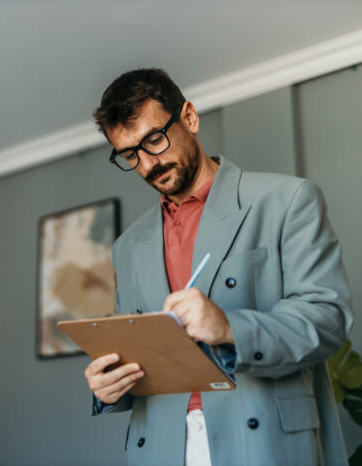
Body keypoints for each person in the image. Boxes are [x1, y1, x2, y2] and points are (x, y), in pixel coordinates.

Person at [84, 68, 353, 466]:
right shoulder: (127, 247)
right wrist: (110, 387)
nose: (146, 165)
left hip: (263, 443)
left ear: (189, 118)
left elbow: (328, 320)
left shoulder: (288, 199)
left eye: (154, 140)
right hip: (162, 448)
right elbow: (141, 353)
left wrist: (228, 327)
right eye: (129, 154)